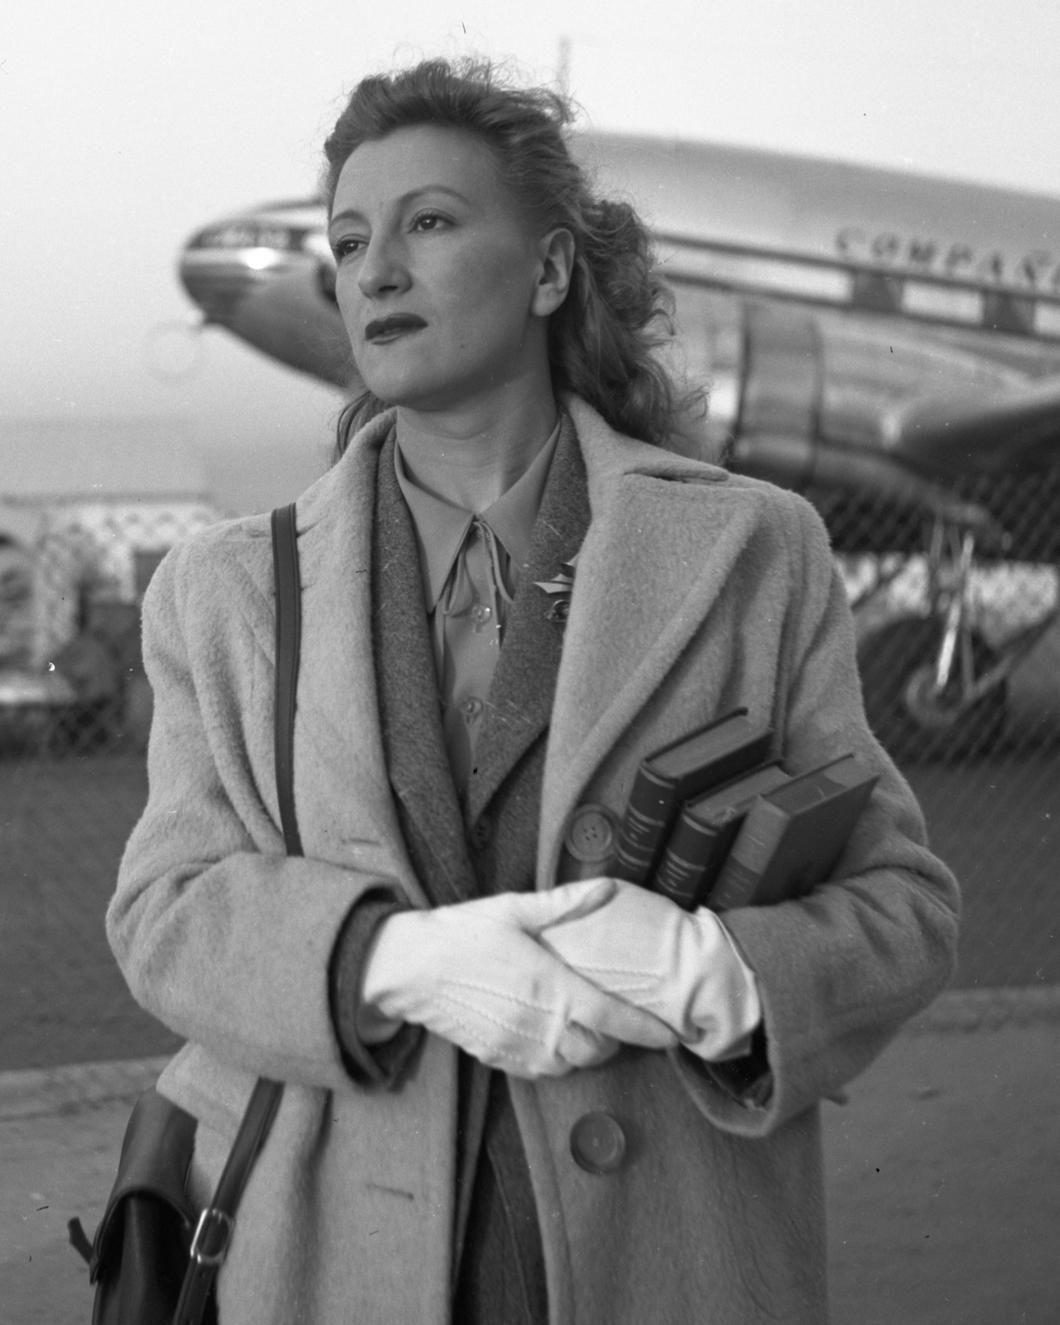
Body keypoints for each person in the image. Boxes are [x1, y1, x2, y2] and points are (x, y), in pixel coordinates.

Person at [108, 58, 959, 1325]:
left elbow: (904, 906)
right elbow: (166, 910)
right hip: (327, 1256)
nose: (375, 270)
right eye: (349, 242)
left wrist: (712, 973)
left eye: (430, 223)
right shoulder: (222, 589)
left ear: (553, 271)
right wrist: (384, 958)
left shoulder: (754, 549)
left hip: (675, 1253)